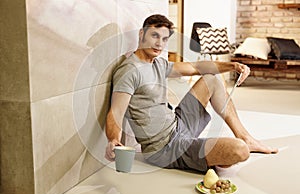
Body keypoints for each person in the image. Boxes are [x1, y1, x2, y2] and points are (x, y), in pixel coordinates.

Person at [105, 14, 278, 172]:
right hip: (166, 148)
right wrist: (113, 140)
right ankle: (203, 155)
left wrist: (233, 66)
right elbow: (116, 112)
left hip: (178, 125)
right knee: (239, 150)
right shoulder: (129, 71)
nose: (159, 44)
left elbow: (196, 67)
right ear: (141, 34)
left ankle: (245, 137)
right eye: (154, 36)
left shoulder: (158, 63)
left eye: (164, 39)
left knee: (213, 79)